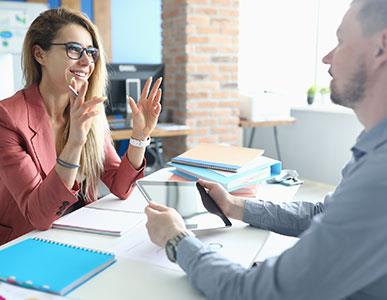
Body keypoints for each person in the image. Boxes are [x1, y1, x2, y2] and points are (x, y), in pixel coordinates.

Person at [145, 0, 387, 299]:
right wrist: (235, 206)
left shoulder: (380, 176)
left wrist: (176, 239)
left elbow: (253, 293)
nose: (327, 57)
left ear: (382, 46)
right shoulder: (374, 147)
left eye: (340, 41)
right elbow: (324, 212)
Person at [0, 8, 162, 245]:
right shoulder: (7, 118)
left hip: (78, 235)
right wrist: (75, 142)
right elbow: (39, 216)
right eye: (74, 50)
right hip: (24, 243)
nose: (87, 62)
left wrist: (140, 136)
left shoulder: (89, 111)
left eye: (91, 52)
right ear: (39, 54)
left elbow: (120, 186)